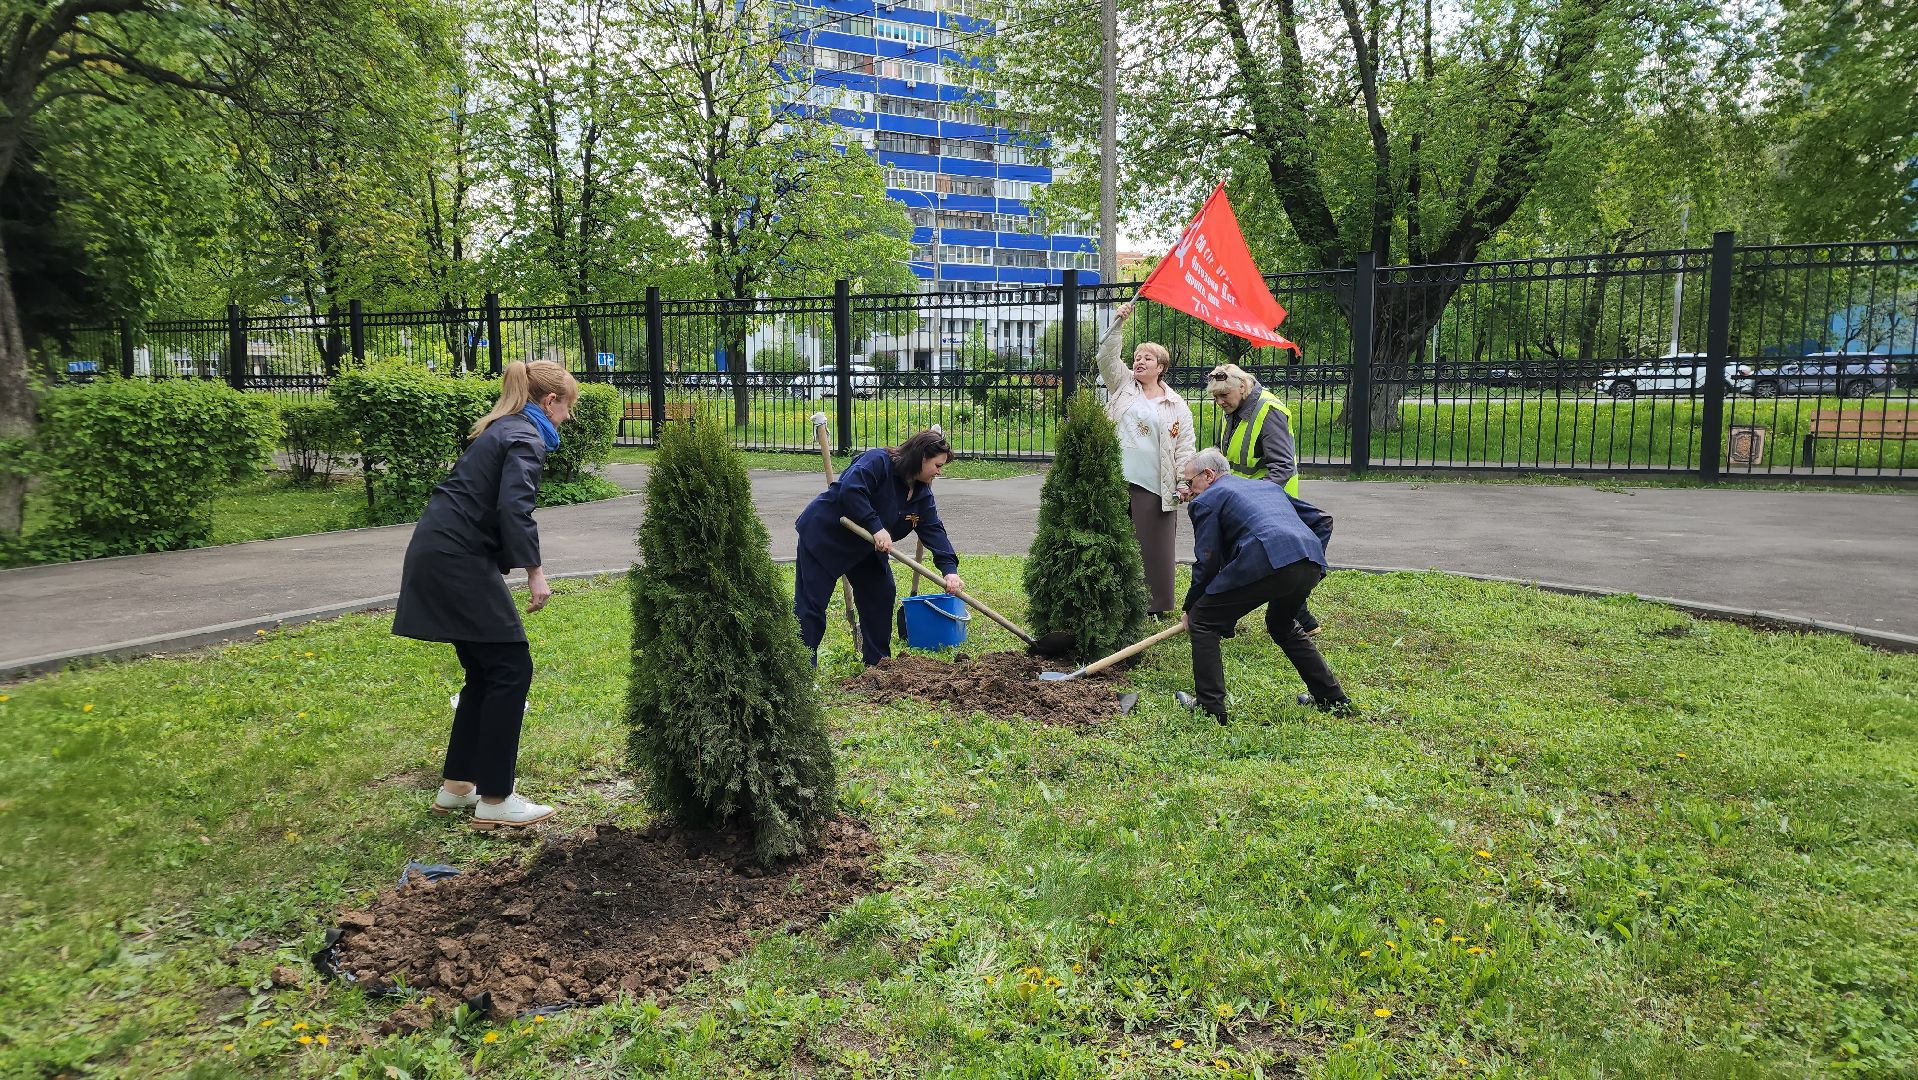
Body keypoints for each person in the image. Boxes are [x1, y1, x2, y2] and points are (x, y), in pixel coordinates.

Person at [392, 359, 576, 829]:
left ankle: (457, 787)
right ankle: (496, 799)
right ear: (549, 401)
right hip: (457, 559)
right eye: (566, 408)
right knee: (511, 668)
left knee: (485, 671)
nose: (568, 419)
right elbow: (515, 507)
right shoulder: (526, 437)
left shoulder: (501, 428)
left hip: (437, 551)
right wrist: (535, 571)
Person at [1174, 448, 1352, 725]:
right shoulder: (1265, 487)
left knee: (1203, 622)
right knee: (1282, 624)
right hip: (1310, 560)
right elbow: (1322, 521)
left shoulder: (1207, 500)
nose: (1188, 490)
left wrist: (1191, 608)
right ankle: (1332, 699)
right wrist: (1306, 558)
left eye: (1189, 482)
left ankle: (1211, 710)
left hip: (1267, 561)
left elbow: (1206, 562)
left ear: (1208, 475)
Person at [794, 430, 965, 665]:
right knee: (811, 606)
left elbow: (933, 529)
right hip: (827, 537)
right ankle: (802, 670)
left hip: (865, 549)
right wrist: (876, 526)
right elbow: (851, 489)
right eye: (937, 465)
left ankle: (878, 665)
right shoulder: (877, 461)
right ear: (922, 457)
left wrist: (949, 569)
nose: (939, 471)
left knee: (880, 596)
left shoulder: (922, 494)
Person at [1203, 362, 1322, 635]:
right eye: (1215, 397)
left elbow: (1282, 466)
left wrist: (1254, 498)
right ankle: (1304, 621)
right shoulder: (1235, 407)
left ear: (1242, 388)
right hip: (1246, 499)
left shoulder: (1269, 411)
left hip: (1270, 501)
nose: (1220, 402)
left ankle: (1223, 621)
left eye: (1224, 396)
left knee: (1264, 562)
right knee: (1253, 560)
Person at [1096, 300, 1197, 615]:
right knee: (1116, 542)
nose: (1139, 362)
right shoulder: (1123, 385)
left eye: (1147, 358)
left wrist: (1184, 481)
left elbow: (1185, 446)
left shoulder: (1175, 403)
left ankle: (1153, 607)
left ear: (1161, 367)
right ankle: (1116, 602)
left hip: (1155, 482)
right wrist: (1118, 325)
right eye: (1137, 357)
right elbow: (1106, 357)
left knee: (1154, 547)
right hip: (1117, 478)